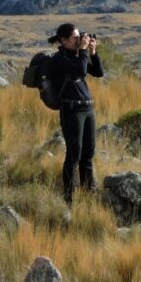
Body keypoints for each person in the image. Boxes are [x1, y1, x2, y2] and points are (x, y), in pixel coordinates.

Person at [46, 23, 104, 205]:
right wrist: (84, 50)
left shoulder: (77, 55)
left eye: (80, 37)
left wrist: (92, 52)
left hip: (87, 109)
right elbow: (79, 70)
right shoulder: (58, 59)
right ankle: (69, 198)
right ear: (63, 40)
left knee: (88, 153)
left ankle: (89, 193)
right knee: (74, 154)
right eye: (75, 38)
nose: (79, 41)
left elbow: (98, 72)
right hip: (71, 111)